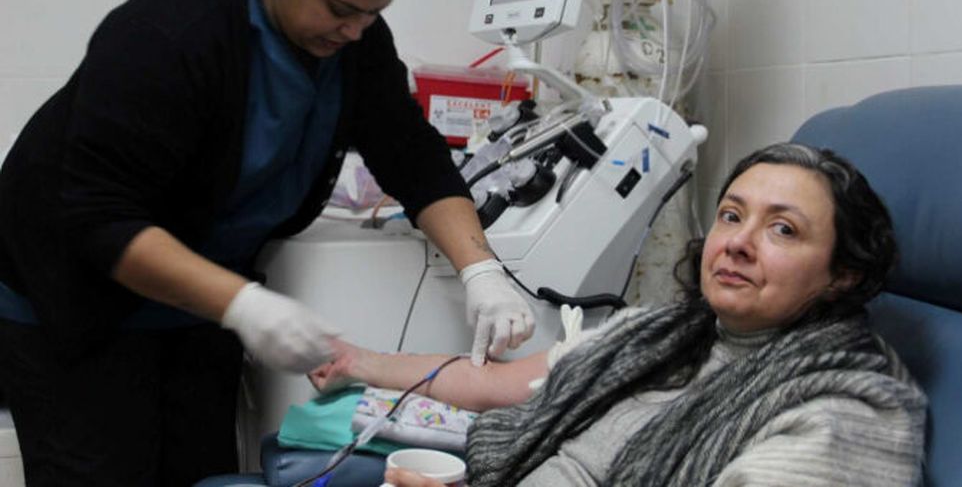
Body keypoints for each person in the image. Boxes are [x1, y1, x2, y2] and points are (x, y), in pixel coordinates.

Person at [0, 0, 533, 486]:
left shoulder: (355, 42)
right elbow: (100, 220)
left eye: (375, 12)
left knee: (200, 471)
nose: (356, 31)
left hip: (196, 302)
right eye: (340, 10)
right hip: (72, 294)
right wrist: (245, 305)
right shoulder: (173, 36)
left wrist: (480, 268)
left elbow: (412, 154)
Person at [309, 142, 928, 487]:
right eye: (732, 215)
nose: (738, 242)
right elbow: (493, 384)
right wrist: (358, 362)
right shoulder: (655, 339)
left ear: (843, 274)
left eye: (784, 229)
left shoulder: (842, 416)